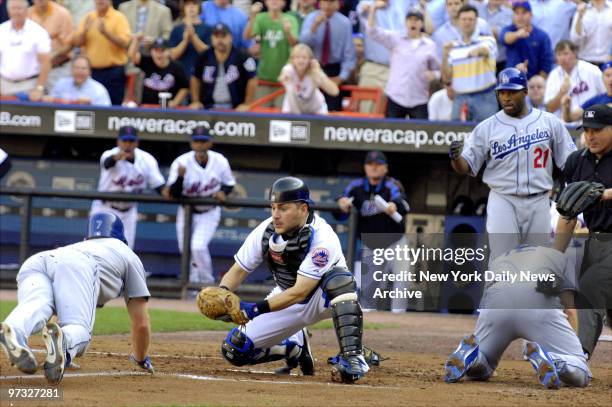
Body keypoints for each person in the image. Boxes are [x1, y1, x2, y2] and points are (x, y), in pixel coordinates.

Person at [216, 176, 372, 382]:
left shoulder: (322, 236)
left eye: (283, 208)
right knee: (235, 349)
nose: (276, 215)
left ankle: (353, 356)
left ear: (303, 209)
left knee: (339, 279)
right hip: (285, 296)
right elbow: (238, 270)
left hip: (322, 297)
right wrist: (223, 296)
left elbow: (301, 291)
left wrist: (253, 309)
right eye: (273, 208)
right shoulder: (266, 230)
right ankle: (294, 348)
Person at [0, 212, 153, 385]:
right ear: (122, 238)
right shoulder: (128, 255)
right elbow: (141, 323)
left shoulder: (80, 245)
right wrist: (140, 359)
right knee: (79, 328)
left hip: (39, 260)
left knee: (37, 305)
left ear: (87, 236)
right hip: (79, 265)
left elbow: (64, 300)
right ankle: (66, 342)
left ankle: (14, 328)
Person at [449, 67, 577, 261]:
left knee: (537, 262)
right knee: (502, 261)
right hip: (503, 199)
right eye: (502, 92)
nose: (506, 97)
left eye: (512, 92)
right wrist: (455, 158)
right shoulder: (487, 127)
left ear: (524, 92)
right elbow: (465, 167)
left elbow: (571, 162)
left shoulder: (550, 122)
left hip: (539, 199)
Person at [443, 245, 592, 389]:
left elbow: (487, 300)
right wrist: (570, 350)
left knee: (483, 367)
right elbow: (570, 310)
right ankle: (553, 360)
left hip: (497, 305)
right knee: (581, 372)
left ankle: (473, 358)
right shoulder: (558, 256)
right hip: (538, 307)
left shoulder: (500, 256)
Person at [554, 104, 612, 359]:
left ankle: (579, 356)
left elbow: (599, 196)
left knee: (591, 285)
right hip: (594, 241)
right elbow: (568, 213)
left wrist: (606, 194)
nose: (591, 136)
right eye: (587, 130)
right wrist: (555, 256)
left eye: (597, 130)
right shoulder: (576, 162)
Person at [335, 151, 410, 312]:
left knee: (402, 279)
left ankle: (400, 319)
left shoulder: (392, 184)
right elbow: (341, 206)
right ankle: (370, 325)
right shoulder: (357, 187)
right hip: (370, 244)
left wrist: (395, 205)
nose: (374, 167)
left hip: (395, 241)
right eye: (370, 164)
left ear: (386, 168)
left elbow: (403, 203)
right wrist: (341, 203)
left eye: (378, 164)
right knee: (368, 289)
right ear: (365, 167)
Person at [164, 126, 236, 285]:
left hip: (208, 212)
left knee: (198, 247)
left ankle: (207, 284)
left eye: (203, 141)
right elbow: (173, 193)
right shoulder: (181, 162)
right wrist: (181, 178)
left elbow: (229, 184)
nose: (200, 145)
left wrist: (223, 192)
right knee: (187, 253)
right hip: (186, 212)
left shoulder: (220, 160)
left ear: (210, 143)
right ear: (192, 144)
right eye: (197, 141)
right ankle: (190, 290)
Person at [91, 126, 165, 249]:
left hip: (129, 211)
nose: (127, 145)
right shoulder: (109, 154)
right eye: (124, 141)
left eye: (131, 141)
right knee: (98, 248)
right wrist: (116, 157)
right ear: (118, 142)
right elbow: (107, 163)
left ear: (137, 142)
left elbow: (159, 186)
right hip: (105, 208)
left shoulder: (147, 160)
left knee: (126, 252)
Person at [368, 6, 439, 119]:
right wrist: (373, 10)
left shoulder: (430, 45)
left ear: (422, 23)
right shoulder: (395, 38)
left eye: (416, 20)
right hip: (396, 96)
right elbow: (372, 32)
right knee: (392, 133)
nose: (413, 23)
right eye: (410, 19)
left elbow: (437, 70)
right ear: (405, 22)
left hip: (419, 98)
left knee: (420, 134)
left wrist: (434, 75)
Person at [441, 4, 498, 122]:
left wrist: (476, 52)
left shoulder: (487, 40)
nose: (467, 22)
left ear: (476, 21)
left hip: (485, 96)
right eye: (464, 19)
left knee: (487, 136)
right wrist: (445, 56)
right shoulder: (452, 46)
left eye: (471, 19)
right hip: (461, 97)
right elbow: (447, 77)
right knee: (457, 137)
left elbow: (485, 50)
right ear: (458, 22)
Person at [300, 0, 357, 111]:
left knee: (332, 110)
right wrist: (315, 26)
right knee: (308, 108)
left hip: (334, 69)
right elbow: (303, 44)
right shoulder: (311, 18)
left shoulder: (345, 23)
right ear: (319, 3)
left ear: (337, 4)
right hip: (312, 67)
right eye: (325, 2)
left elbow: (349, 53)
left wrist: (341, 77)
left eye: (331, 2)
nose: (328, 5)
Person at [72, 0, 131, 105]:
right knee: (90, 108)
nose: (100, 1)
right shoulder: (88, 17)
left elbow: (126, 43)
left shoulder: (119, 18)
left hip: (113, 72)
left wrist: (106, 33)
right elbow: (76, 43)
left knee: (114, 107)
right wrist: (85, 30)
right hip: (91, 72)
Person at [190, 23, 257, 110]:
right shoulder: (204, 56)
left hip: (235, 108)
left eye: (223, 36)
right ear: (212, 38)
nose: (220, 40)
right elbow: (195, 78)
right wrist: (195, 101)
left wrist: (247, 104)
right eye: (216, 37)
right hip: (208, 107)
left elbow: (252, 79)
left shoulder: (243, 56)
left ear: (230, 37)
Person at [244, 0, 298, 106]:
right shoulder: (260, 18)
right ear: (265, 2)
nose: (274, 1)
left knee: (280, 118)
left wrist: (288, 32)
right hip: (263, 79)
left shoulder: (290, 19)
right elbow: (247, 36)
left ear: (284, 3)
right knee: (261, 115)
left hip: (284, 80)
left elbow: (295, 45)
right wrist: (253, 16)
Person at [0, 0, 51, 101]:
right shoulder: (1, 30)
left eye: (19, 8)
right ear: (8, 10)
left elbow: (46, 63)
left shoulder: (38, 32)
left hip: (29, 86)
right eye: (13, 8)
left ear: (27, 10)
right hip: (4, 85)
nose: (16, 12)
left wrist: (39, 88)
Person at [544, 40, 605, 123]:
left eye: (565, 53)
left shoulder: (592, 71)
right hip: (565, 126)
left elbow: (607, 95)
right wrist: (561, 93)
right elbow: (549, 109)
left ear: (574, 54)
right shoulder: (553, 76)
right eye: (559, 55)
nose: (562, 58)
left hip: (592, 122)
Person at [278, 43, 339, 114]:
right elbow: (282, 77)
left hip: (316, 111)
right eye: (297, 57)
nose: (301, 60)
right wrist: (284, 77)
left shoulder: (315, 72)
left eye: (304, 57)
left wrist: (319, 73)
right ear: (292, 60)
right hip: (293, 110)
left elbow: (335, 92)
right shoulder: (288, 69)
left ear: (310, 60)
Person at [128, 36, 189, 107]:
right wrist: (136, 41)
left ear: (169, 52)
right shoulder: (147, 61)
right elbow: (132, 56)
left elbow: (185, 87)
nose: (159, 54)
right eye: (156, 50)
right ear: (151, 52)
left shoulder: (176, 67)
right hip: (148, 107)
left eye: (162, 51)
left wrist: (175, 102)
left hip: (168, 109)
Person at [27, 0, 74, 91]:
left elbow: (69, 44)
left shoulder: (62, 14)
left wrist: (50, 58)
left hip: (57, 70)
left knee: (57, 102)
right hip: (33, 72)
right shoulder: (27, 14)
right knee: (32, 101)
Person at [500, 1, 553, 80]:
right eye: (517, 13)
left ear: (531, 15)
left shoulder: (542, 36)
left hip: (533, 83)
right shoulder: (509, 29)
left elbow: (546, 66)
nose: (520, 16)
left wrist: (535, 85)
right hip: (511, 82)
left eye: (524, 13)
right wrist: (517, 34)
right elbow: (504, 38)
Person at [44, 55, 111, 105]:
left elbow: (105, 114)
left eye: (83, 68)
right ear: (71, 70)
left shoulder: (98, 90)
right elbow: (51, 103)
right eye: (77, 68)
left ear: (90, 71)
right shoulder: (61, 84)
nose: (79, 71)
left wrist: (90, 105)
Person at [169, 0, 211, 79]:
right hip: (181, 75)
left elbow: (210, 55)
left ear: (199, 7)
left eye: (194, 4)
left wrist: (193, 37)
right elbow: (172, 56)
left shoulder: (208, 29)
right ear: (183, 8)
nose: (191, 7)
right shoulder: (176, 29)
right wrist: (185, 41)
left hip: (201, 74)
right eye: (188, 4)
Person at [570, 0, 612, 67]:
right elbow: (575, 41)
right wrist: (579, 17)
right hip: (585, 61)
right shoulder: (581, 9)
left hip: (608, 62)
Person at [475, 0, 512, 73]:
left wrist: (482, 30)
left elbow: (503, 35)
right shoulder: (478, 9)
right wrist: (492, 30)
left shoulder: (509, 13)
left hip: (499, 62)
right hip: (478, 62)